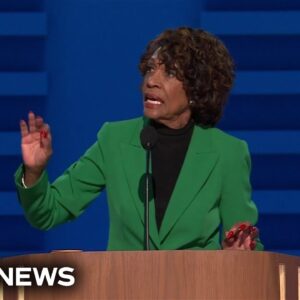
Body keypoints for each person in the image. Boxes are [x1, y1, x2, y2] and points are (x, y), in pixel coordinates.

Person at [15, 27, 262, 251]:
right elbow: (48, 213)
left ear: (198, 90)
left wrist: (240, 251)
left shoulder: (228, 153)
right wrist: (34, 172)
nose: (151, 81)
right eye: (151, 69)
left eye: (170, 73)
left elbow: (245, 243)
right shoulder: (115, 140)